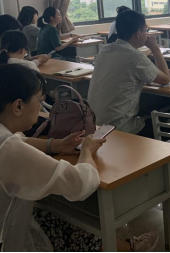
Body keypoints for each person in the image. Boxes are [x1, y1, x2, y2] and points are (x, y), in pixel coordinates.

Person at [0, 64, 105, 252]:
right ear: (18, 106)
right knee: (85, 231)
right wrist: (86, 151)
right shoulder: (9, 150)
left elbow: (19, 141)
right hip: (9, 243)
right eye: (40, 101)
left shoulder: (6, 141)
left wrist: (56, 145)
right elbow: (80, 184)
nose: (41, 107)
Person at [88, 10, 170, 137]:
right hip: (120, 127)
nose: (147, 34)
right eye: (146, 30)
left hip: (96, 124)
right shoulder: (135, 56)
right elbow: (165, 79)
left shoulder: (105, 50)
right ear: (138, 33)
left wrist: (158, 71)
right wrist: (155, 48)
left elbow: (125, 71)